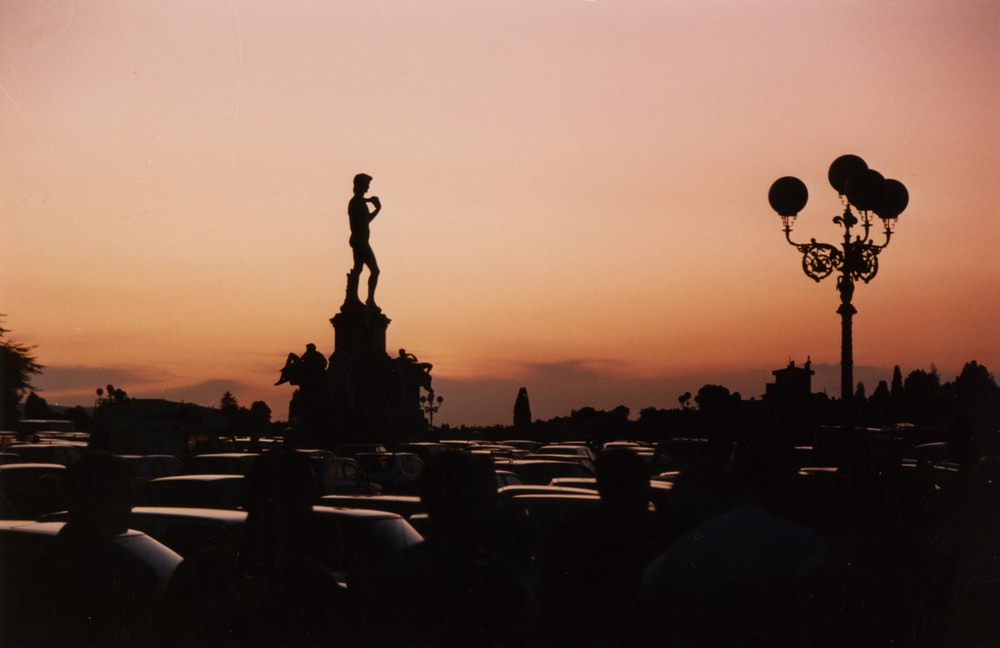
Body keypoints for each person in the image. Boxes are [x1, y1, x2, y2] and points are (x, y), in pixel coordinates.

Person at [347, 173, 381, 306]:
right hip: (361, 242)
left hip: (360, 241)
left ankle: (354, 297)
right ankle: (369, 299)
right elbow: (364, 222)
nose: (368, 187)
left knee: (358, 269)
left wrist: (375, 207)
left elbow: (365, 221)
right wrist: (377, 209)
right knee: (374, 270)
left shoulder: (359, 202)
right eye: (367, 184)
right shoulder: (356, 203)